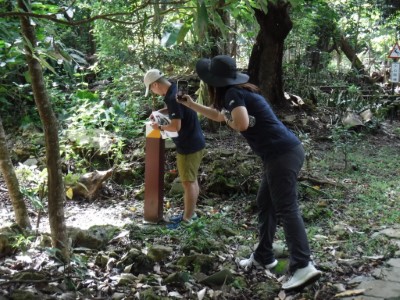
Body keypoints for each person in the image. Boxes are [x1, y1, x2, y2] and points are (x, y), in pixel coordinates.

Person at [177, 55, 322, 290]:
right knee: (265, 202)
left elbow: (241, 124)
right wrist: (191, 104)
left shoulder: (234, 94)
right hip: (282, 153)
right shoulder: (238, 93)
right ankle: (264, 255)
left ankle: (303, 265)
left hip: (281, 154)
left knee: (286, 207)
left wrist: (233, 121)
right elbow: (219, 116)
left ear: (214, 81)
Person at [143, 69, 205, 223]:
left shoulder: (171, 97)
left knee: (188, 182)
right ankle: (191, 214)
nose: (153, 92)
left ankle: (187, 219)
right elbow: (178, 110)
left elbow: (175, 126)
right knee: (192, 180)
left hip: (188, 145)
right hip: (195, 140)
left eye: (151, 89)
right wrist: (160, 111)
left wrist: (159, 127)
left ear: (156, 84)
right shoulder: (176, 89)